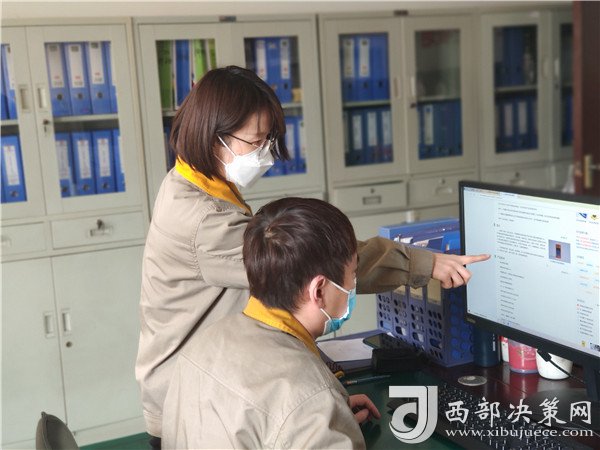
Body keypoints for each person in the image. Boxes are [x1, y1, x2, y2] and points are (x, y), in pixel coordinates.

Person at [135, 65, 489, 448]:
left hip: (210, 394)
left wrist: (322, 409)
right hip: (208, 404)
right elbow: (314, 257)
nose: (266, 153)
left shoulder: (190, 182)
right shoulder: (203, 220)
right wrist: (423, 263)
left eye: (269, 140)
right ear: (213, 135)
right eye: (256, 141)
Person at [162, 197, 381, 449]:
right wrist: (319, 418)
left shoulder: (201, 344)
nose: (353, 285)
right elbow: (291, 407)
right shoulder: (311, 398)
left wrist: (329, 422)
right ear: (319, 291)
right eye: (353, 274)